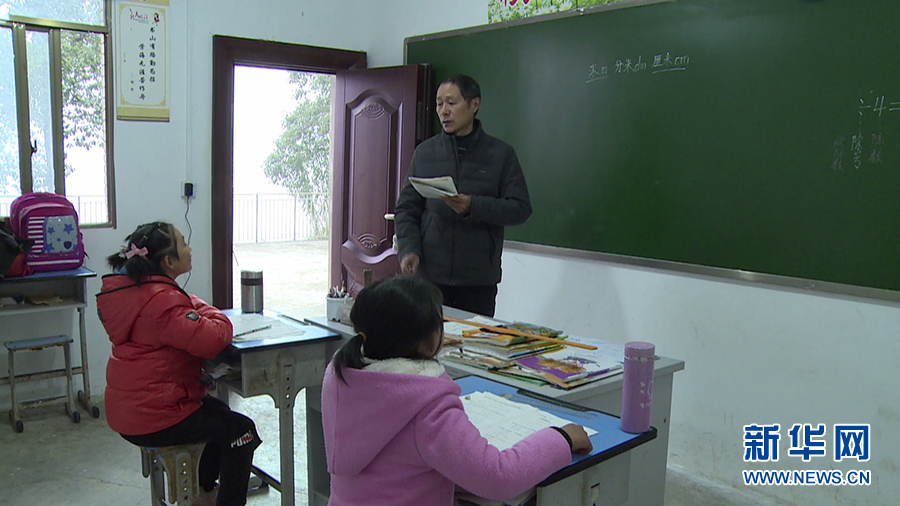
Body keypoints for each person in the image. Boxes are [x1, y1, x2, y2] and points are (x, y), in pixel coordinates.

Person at [321, 275, 592, 506]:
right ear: (430, 341)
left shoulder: (341, 378)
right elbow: (498, 477)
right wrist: (562, 438)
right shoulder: (427, 408)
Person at [96, 221, 261, 506]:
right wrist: (200, 305)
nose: (190, 248)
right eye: (183, 243)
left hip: (131, 408)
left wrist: (188, 302)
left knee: (219, 413)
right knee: (241, 431)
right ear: (169, 262)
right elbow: (215, 337)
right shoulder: (163, 302)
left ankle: (205, 492)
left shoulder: (135, 292)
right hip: (154, 415)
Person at [394, 74, 532, 317]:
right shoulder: (425, 153)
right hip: (430, 276)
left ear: (474, 104)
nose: (444, 111)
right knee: (427, 337)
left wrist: (472, 206)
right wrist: (409, 249)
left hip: (477, 280)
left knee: (473, 340)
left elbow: (520, 208)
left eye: (451, 103)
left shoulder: (500, 155)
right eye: (439, 104)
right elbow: (406, 209)